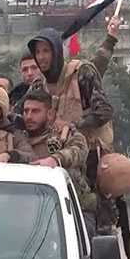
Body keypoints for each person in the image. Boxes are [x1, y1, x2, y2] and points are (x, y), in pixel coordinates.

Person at [27, 28, 115, 153]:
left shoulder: (82, 73)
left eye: (46, 51)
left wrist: (72, 126)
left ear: (56, 52)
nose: (41, 57)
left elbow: (104, 111)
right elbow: (22, 114)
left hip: (91, 152)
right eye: (37, 52)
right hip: (57, 155)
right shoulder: (39, 85)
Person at [22, 87, 94, 216]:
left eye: (35, 111)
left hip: (71, 209)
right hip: (28, 205)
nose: (29, 116)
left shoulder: (63, 135)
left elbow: (79, 150)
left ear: (49, 114)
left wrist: (55, 159)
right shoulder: (18, 137)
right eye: (26, 111)